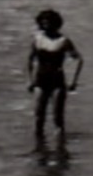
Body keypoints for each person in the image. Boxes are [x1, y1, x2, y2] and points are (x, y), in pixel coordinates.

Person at [28, 9, 83, 139]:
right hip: (40, 79)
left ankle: (60, 146)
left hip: (57, 80)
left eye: (48, 22)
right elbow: (30, 60)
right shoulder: (37, 39)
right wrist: (30, 80)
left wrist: (74, 81)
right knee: (38, 115)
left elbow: (79, 59)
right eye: (43, 22)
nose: (46, 25)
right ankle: (40, 145)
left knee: (57, 116)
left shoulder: (63, 41)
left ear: (55, 23)